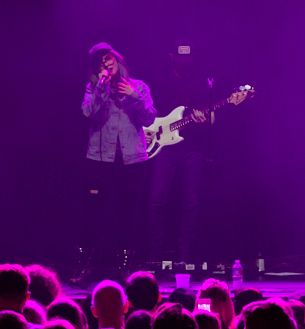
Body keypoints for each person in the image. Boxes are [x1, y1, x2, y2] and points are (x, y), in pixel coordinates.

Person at [77, 43, 156, 277]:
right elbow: (88, 113)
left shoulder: (138, 87)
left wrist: (134, 97)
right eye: (100, 62)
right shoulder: (93, 88)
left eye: (108, 58)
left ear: (117, 59)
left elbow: (150, 118)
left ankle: (124, 269)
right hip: (100, 160)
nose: (105, 63)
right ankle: (84, 268)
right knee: (93, 214)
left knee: (128, 214)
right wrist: (101, 89)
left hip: (132, 161)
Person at [147, 43, 214, 264]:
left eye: (188, 56)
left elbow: (212, 116)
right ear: (172, 57)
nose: (185, 60)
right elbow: (148, 113)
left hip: (192, 149)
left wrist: (205, 119)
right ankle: (154, 256)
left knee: (191, 203)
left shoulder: (202, 82)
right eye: (181, 56)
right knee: (156, 201)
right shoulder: (160, 81)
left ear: (193, 58)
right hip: (163, 148)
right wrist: (149, 131)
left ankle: (185, 256)